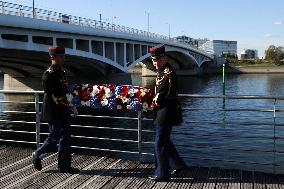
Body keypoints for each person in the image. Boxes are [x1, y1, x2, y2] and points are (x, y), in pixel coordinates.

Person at [32, 46, 79, 174]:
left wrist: (73, 101)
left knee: (66, 137)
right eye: (61, 56)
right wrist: (69, 103)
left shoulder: (62, 72)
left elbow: (65, 90)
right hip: (53, 111)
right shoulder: (48, 75)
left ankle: (64, 166)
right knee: (54, 137)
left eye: (64, 56)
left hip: (63, 110)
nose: (63, 58)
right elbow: (55, 96)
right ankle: (38, 153)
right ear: (53, 57)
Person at [149, 44, 185, 181]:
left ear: (164, 58)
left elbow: (162, 96)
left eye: (158, 60)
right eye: (153, 60)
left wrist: (150, 102)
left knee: (159, 143)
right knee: (165, 140)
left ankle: (162, 174)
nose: (155, 63)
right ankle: (177, 164)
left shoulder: (167, 73)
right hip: (163, 112)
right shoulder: (162, 71)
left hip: (166, 112)